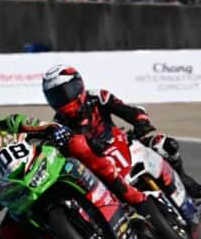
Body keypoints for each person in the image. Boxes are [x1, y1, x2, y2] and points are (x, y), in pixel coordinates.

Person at [0, 98, 147, 239]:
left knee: (78, 145)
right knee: (8, 237)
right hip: (20, 191)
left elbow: (44, 126)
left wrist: (55, 131)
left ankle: (126, 194)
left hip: (47, 163)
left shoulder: (11, 123)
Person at [42, 64, 201, 198]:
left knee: (165, 145)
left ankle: (187, 184)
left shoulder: (97, 97)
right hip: (100, 169)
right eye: (56, 96)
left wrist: (141, 123)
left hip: (123, 144)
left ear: (78, 85)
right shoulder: (58, 127)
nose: (63, 99)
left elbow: (129, 111)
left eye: (66, 91)